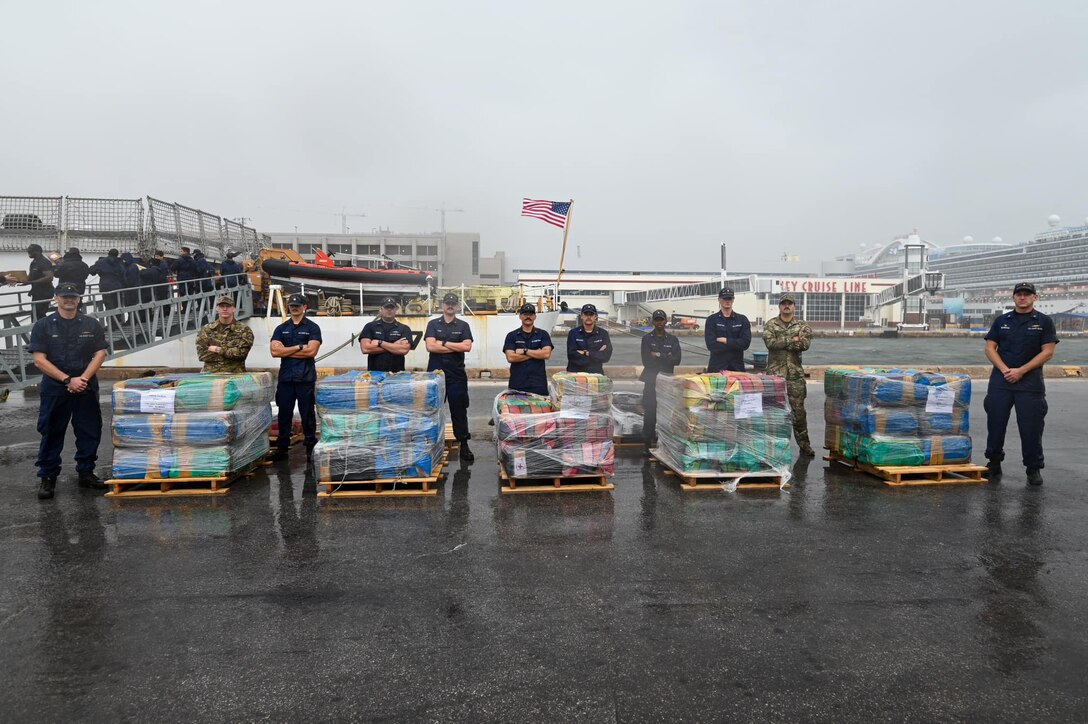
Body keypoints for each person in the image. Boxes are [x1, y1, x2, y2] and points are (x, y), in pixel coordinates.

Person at [27, 282, 109, 499]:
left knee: (89, 430)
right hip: (56, 387)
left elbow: (100, 353)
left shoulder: (91, 324)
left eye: (73, 296)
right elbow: (38, 360)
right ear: (56, 298)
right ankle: (48, 477)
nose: (69, 300)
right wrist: (66, 379)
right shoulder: (43, 325)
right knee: (51, 431)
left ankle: (86, 472)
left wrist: (82, 379)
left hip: (85, 385)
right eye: (65, 296)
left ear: (79, 299)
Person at [983, 282, 1059, 486]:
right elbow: (990, 348)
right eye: (1019, 294)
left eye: (1027, 294)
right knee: (996, 423)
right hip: (1001, 380)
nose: (1022, 297)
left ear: (1036, 297)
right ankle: (994, 462)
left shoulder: (1044, 321)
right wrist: (1005, 370)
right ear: (1013, 297)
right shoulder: (1001, 320)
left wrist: (1021, 371)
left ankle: (1033, 468)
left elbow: (1048, 352)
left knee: (1031, 426)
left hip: (1030, 382)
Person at [268, 294, 322, 462]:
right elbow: (274, 352)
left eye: (297, 305)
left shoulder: (313, 328)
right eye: (291, 305)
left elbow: (312, 351)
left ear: (304, 306)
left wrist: (287, 350)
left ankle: (310, 446)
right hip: (286, 378)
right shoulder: (281, 328)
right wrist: (299, 347)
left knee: (307, 414)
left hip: (305, 377)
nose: (294, 307)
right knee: (284, 413)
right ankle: (282, 447)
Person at [763, 293, 815, 456]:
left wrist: (783, 341)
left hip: (795, 375)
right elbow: (770, 344)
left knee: (798, 412)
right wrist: (792, 339)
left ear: (794, 306)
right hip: (774, 375)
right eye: (783, 303)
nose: (786, 306)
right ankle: (772, 447)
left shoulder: (802, 325)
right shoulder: (771, 324)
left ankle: (804, 445)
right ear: (779, 306)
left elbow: (805, 344)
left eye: (789, 303)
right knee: (772, 412)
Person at [425, 292, 475, 461]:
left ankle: (464, 444)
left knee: (459, 410)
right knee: (433, 411)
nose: (450, 306)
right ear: (442, 305)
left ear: (457, 306)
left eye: (453, 303)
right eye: (447, 303)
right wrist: (456, 346)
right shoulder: (433, 324)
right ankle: (432, 446)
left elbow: (467, 347)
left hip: (456, 375)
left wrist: (444, 343)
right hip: (436, 376)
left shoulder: (463, 325)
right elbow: (430, 347)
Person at [640, 309, 682, 453]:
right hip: (651, 381)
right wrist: (666, 356)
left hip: (667, 382)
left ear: (665, 321)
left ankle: (664, 443)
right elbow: (646, 361)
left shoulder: (673, 340)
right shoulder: (646, 339)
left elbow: (677, 360)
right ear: (653, 321)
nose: (659, 322)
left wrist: (657, 354)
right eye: (656, 320)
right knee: (650, 413)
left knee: (666, 413)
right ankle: (647, 443)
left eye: (661, 320)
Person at [503, 302, 554, 396]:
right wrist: (536, 353)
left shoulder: (543, 334)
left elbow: (546, 354)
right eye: (525, 314)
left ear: (535, 316)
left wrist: (525, 351)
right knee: (517, 410)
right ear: (520, 316)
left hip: (538, 384)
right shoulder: (512, 336)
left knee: (540, 410)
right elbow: (511, 358)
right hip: (517, 384)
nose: (528, 317)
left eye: (531, 314)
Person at [195, 295, 254, 373]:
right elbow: (201, 355)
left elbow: (241, 355)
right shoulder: (207, 329)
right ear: (217, 309)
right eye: (222, 306)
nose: (225, 309)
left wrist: (219, 350)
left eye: (228, 306)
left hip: (234, 375)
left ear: (234, 309)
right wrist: (229, 353)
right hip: (209, 375)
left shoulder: (244, 330)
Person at [359, 297, 413, 372]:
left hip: (397, 375)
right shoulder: (370, 326)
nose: (389, 309)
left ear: (396, 310)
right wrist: (394, 345)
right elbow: (365, 349)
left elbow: (403, 350)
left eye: (392, 307)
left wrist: (380, 343)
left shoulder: (404, 328)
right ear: (380, 309)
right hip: (374, 374)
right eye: (386, 307)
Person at [704, 287, 751, 372]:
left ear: (733, 300)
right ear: (719, 300)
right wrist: (736, 344)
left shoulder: (742, 319)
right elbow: (711, 345)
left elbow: (745, 343)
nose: (727, 301)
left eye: (729, 298)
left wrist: (726, 341)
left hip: (737, 369)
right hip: (716, 369)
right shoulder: (711, 320)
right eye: (724, 298)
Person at [6, 243, 55, 321]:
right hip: (37, 292)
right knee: (36, 314)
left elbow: (49, 277)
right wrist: (20, 280)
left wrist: (32, 282)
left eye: (31, 251)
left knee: (38, 315)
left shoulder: (44, 262)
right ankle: (40, 330)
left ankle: (43, 330)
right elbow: (31, 276)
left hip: (44, 292)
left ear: (38, 252)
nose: (29, 252)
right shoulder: (34, 262)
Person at [566, 303, 613, 374]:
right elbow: (571, 355)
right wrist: (596, 355)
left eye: (591, 314)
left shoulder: (603, 334)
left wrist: (586, 353)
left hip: (596, 374)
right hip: (576, 373)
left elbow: (606, 357)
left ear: (596, 317)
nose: (588, 317)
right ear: (581, 316)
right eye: (586, 314)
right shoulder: (573, 333)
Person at [89, 248, 125, 313]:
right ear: (117, 255)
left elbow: (92, 272)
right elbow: (123, 274)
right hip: (117, 286)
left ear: (108, 254)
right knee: (117, 306)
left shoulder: (100, 262)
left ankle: (110, 321)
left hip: (105, 286)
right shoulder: (120, 263)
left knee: (108, 306)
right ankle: (117, 321)